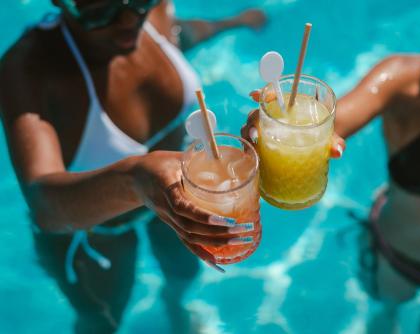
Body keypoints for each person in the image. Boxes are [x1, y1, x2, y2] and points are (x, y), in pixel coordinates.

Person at [0, 1, 266, 333]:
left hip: (173, 195)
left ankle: (174, 308)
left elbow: (187, 33)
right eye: (100, 6)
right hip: (98, 231)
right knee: (102, 320)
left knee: (183, 275)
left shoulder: (154, 15)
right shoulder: (29, 69)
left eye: (136, 0)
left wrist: (235, 21)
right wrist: (136, 180)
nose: (127, 19)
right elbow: (45, 206)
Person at [243, 0, 420, 332]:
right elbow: (330, 123)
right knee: (383, 315)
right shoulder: (407, 84)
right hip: (394, 256)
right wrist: (279, 127)